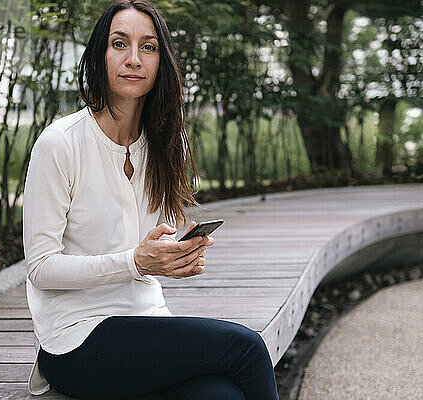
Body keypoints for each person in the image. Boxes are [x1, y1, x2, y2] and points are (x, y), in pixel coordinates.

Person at [22, 1, 280, 399]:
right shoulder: (61, 143)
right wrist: (134, 261)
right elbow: (41, 268)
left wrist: (176, 258)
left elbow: (147, 248)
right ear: (98, 55)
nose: (133, 59)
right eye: (119, 44)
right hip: (76, 338)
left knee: (220, 396)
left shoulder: (164, 143)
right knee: (247, 347)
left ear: (161, 61)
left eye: (148, 47)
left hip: (145, 320)